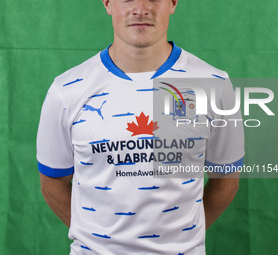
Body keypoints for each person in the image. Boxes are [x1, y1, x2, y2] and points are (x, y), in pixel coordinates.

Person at [36, 0, 244, 254]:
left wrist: (184, 240)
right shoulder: (66, 90)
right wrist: (98, 241)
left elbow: (226, 180)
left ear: (173, 3)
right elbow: (52, 182)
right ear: (108, 3)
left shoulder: (215, 85)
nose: (141, 8)